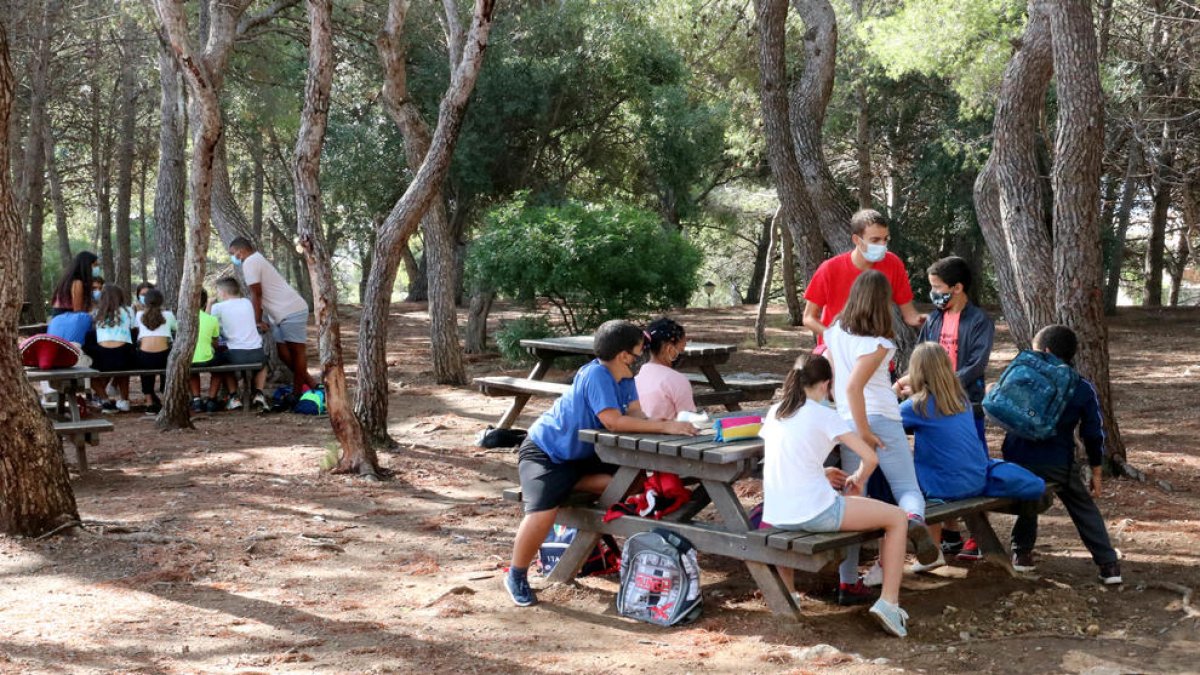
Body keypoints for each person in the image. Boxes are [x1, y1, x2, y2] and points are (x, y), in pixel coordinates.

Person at [504, 320, 698, 608]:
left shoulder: (626, 378)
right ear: (623, 355)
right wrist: (665, 429)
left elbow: (636, 414)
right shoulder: (596, 375)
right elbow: (613, 421)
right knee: (543, 511)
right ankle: (516, 575)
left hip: (585, 458)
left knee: (633, 483)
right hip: (547, 452)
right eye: (636, 353)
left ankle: (567, 485)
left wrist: (663, 423)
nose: (639, 358)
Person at [761, 353, 912, 637]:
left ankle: (790, 595)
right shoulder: (826, 414)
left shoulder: (775, 412)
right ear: (826, 385)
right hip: (817, 512)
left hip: (777, 513)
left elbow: (789, 458)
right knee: (897, 518)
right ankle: (889, 602)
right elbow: (870, 458)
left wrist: (821, 472)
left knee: (793, 519)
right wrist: (857, 479)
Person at [824, 270, 937, 605]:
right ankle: (914, 521)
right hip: (878, 419)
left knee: (854, 497)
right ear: (882, 303)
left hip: (845, 420)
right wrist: (867, 431)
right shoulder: (879, 343)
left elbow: (832, 377)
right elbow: (853, 386)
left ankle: (848, 583)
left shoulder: (834, 332)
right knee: (906, 489)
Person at [1003, 324, 1122, 585]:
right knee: (1082, 506)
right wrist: (1096, 471)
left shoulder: (1023, 377)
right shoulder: (1081, 387)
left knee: (1028, 492)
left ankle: (1021, 553)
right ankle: (1108, 565)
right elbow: (1092, 433)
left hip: (1017, 460)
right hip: (1057, 462)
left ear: (1045, 351)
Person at [897, 256, 995, 560]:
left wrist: (942, 387)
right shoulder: (935, 318)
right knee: (937, 465)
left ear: (957, 287)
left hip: (964, 403)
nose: (934, 293)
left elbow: (975, 365)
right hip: (930, 406)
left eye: (938, 287)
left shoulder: (979, 321)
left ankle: (978, 537)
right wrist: (910, 381)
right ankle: (950, 532)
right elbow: (922, 356)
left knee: (970, 463)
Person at [898, 343, 989, 573]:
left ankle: (932, 554)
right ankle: (952, 535)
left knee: (913, 484)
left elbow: (884, 423)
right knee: (942, 464)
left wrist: (895, 387)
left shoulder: (916, 406)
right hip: (977, 479)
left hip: (945, 487)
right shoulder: (961, 399)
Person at [802, 209, 923, 346]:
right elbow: (808, 317)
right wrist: (835, 337)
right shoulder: (830, 268)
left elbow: (910, 315)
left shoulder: (893, 264)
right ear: (856, 240)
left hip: (874, 351)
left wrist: (931, 320)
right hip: (835, 352)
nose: (882, 245)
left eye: (885, 239)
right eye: (875, 240)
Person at [228, 237, 316, 397]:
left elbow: (257, 294)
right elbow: (258, 296)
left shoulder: (250, 262)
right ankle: (312, 384)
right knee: (283, 354)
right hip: (278, 315)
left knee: (297, 353)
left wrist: (256, 321)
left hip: (291, 310)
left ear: (240, 252)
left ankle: (297, 394)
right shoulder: (255, 260)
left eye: (232, 254)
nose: (233, 257)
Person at [210, 276, 269, 411]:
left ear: (223, 292)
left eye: (218, 292)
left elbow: (208, 325)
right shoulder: (247, 302)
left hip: (236, 354)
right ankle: (259, 393)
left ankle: (234, 396)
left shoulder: (217, 307)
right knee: (263, 365)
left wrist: (209, 305)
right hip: (256, 352)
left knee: (223, 363)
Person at [634, 317, 696, 420]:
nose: (682, 353)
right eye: (682, 348)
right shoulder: (677, 380)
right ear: (669, 349)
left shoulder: (637, 376)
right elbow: (688, 420)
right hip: (672, 434)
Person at [88, 285, 136, 413]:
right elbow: (133, 329)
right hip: (124, 354)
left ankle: (105, 400)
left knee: (89, 373)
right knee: (123, 371)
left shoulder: (97, 312)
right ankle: (125, 400)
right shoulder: (128, 311)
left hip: (102, 356)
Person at [134, 288, 177, 414]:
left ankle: (149, 404)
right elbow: (177, 328)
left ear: (145, 302)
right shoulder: (168, 315)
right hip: (163, 356)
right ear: (161, 302)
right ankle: (165, 401)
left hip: (145, 356)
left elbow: (137, 330)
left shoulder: (139, 315)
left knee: (145, 374)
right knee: (167, 371)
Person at [189, 289, 227, 413]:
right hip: (207, 359)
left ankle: (196, 400)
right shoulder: (211, 319)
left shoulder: (184, 319)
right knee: (220, 366)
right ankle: (211, 399)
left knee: (192, 371)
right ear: (205, 303)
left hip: (189, 359)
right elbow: (215, 343)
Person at [50, 251, 100, 316]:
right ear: (86, 265)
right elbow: (78, 312)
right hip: (66, 321)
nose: (97, 268)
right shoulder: (77, 283)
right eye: (95, 265)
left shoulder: (70, 280)